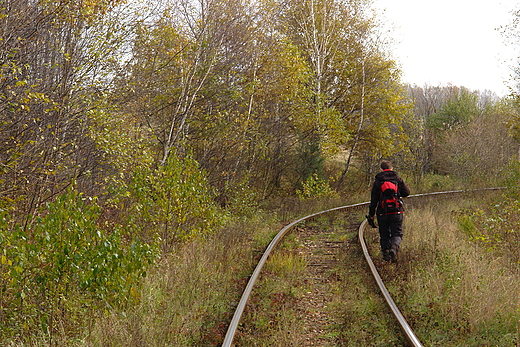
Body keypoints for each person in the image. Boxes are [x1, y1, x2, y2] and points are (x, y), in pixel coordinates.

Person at [367, 160, 410, 262]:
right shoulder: (397, 179)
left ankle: (386, 256)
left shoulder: (378, 181)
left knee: (384, 235)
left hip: (382, 212)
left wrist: (371, 215)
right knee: (397, 233)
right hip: (396, 211)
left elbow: (374, 201)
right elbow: (406, 192)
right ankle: (394, 248)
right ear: (392, 168)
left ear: (381, 169)